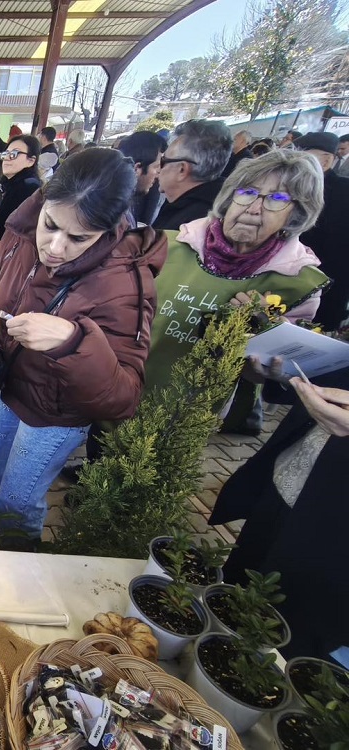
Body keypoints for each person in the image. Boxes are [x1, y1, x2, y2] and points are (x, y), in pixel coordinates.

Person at [0, 148, 167, 549]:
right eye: (50, 225)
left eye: (78, 238)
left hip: (55, 414)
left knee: (18, 500)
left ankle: (16, 563)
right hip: (7, 388)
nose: (55, 246)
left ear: (108, 231)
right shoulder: (24, 232)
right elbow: (6, 266)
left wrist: (73, 343)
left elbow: (124, 397)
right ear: (44, 203)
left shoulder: (125, 283)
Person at [144, 149, 328, 393]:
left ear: (296, 214)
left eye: (277, 199)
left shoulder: (297, 283)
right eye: (247, 193)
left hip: (188, 414)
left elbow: (264, 375)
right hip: (116, 393)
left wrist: (265, 331)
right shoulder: (165, 245)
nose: (253, 208)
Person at [210, 367, 349, 661]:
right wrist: (285, 372)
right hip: (286, 483)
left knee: (284, 645)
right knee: (234, 593)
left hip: (334, 532)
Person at [294, 132, 349, 331]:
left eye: (303, 155)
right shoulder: (296, 188)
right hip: (292, 287)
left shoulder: (343, 192)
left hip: (327, 289)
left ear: (326, 161)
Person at [153, 119, 232, 231]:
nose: (158, 168)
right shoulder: (220, 205)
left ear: (182, 170)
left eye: (163, 160)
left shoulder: (188, 227)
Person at [0, 135, 42, 240]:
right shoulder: (10, 185)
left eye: (14, 154)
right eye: (5, 153)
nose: (6, 158)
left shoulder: (28, 189)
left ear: (31, 160)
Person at [116, 131, 166, 226]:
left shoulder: (124, 202)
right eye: (156, 167)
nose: (158, 175)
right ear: (137, 169)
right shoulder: (114, 213)